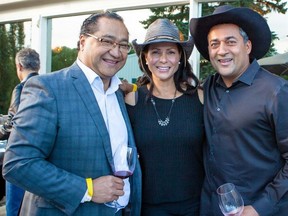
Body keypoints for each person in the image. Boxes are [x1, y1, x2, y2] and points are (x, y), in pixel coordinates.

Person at [2, 11, 141, 216]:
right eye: (106, 41)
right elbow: (18, 164)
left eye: (123, 45)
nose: (116, 52)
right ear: (83, 42)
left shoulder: (118, 93)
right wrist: (87, 189)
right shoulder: (48, 88)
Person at [189, 5, 288, 216]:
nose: (222, 50)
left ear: (248, 46)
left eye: (230, 42)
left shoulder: (275, 91)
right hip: (211, 207)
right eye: (214, 44)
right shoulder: (208, 87)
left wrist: (261, 207)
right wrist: (131, 89)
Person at [125, 18, 205, 216]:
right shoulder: (131, 98)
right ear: (145, 58)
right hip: (148, 207)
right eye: (155, 52)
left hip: (195, 205)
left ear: (180, 58)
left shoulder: (200, 97)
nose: (163, 60)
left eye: (170, 52)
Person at [0, 48, 40, 216]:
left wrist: (2, 128)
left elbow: (16, 122)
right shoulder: (49, 85)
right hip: (42, 158)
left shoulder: (21, 88)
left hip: (20, 157)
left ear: (19, 66)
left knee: (15, 209)